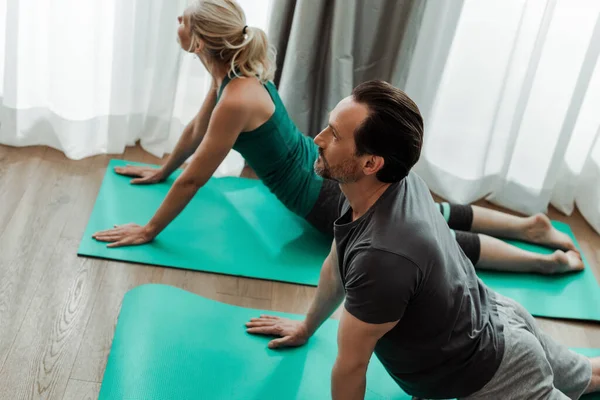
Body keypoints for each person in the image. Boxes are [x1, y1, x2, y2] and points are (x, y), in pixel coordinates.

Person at [91, 0, 584, 275]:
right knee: (427, 217)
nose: (175, 22)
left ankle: (538, 260)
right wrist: (160, 170)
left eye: (182, 20)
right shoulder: (232, 75)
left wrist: (149, 230)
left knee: (429, 239)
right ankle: (529, 228)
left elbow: (195, 177)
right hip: (322, 168)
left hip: (326, 197)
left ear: (199, 41)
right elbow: (197, 131)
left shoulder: (237, 96)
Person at [245, 80, 600, 399]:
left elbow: (351, 367)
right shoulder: (387, 184)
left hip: (497, 374)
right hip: (498, 319)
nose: (317, 139)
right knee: (591, 375)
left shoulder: (380, 257)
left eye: (335, 135)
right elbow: (336, 266)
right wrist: (308, 326)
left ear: (371, 163)